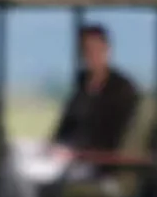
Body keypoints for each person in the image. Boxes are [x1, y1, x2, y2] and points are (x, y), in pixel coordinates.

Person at [52, 24, 139, 153]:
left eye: (96, 49)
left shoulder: (122, 90)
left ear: (107, 49)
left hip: (101, 159)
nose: (91, 55)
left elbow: (117, 134)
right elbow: (65, 126)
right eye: (86, 50)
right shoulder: (81, 86)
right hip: (70, 153)